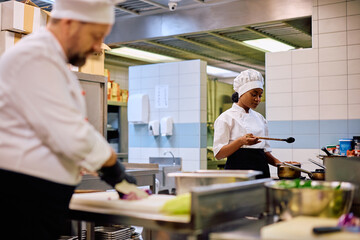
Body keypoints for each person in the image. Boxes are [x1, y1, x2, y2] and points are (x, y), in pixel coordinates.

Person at [0, 0, 136, 239]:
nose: (97, 47)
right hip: (22, 198)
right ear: (70, 23)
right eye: (95, 36)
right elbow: (72, 134)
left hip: (36, 198)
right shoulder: (35, 56)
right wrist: (115, 171)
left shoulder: (53, 61)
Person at [213, 69, 281, 178]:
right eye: (254, 94)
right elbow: (219, 154)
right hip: (237, 173)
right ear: (241, 93)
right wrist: (241, 141)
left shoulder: (260, 118)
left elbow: (265, 153)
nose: (257, 99)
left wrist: (282, 165)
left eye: (260, 95)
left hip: (261, 172)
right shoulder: (226, 118)